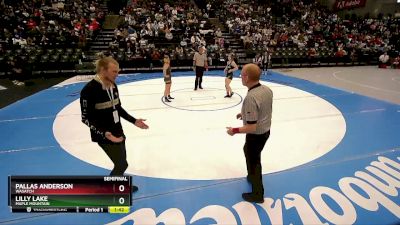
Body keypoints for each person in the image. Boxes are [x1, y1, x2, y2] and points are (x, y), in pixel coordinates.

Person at [80, 54, 149, 191]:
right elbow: (85, 118)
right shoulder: (89, 90)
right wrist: (105, 133)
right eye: (115, 71)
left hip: (118, 130)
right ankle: (109, 190)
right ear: (103, 70)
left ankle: (116, 186)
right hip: (104, 135)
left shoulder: (112, 85)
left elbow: (117, 108)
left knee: (122, 164)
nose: (118, 74)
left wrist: (134, 121)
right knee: (121, 164)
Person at [226, 63, 273, 203]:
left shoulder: (251, 97)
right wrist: (244, 114)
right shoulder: (266, 90)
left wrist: (234, 130)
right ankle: (251, 176)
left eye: (241, 74)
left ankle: (258, 194)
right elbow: (263, 109)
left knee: (254, 161)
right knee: (248, 151)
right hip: (266, 131)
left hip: (256, 135)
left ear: (246, 77)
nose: (240, 76)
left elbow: (251, 128)